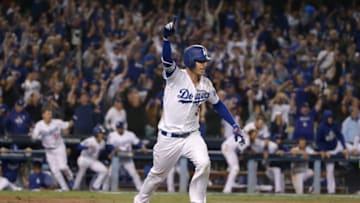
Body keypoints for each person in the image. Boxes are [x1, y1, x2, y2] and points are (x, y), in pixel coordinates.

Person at [134, 19, 244, 203]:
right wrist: (166, 40)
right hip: (169, 137)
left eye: (205, 61)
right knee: (157, 176)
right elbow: (167, 61)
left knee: (204, 163)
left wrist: (234, 124)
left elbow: (218, 104)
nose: (204, 64)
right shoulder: (176, 77)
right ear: (190, 61)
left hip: (192, 135)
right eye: (200, 61)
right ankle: (140, 201)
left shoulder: (206, 84)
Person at [31, 108, 74, 191]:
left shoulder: (57, 122)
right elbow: (34, 136)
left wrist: (73, 120)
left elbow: (68, 125)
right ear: (43, 115)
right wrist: (35, 136)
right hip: (49, 150)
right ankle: (65, 188)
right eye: (47, 114)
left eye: (50, 114)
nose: (49, 116)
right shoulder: (39, 125)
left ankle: (70, 177)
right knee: (55, 171)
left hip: (59, 147)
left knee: (62, 167)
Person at [106, 121, 147, 191]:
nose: (120, 129)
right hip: (117, 157)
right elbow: (108, 145)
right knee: (110, 173)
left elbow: (138, 142)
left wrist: (142, 147)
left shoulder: (130, 134)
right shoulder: (112, 135)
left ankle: (140, 189)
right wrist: (114, 148)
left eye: (121, 128)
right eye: (118, 128)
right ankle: (106, 189)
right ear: (116, 128)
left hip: (127, 158)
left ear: (123, 128)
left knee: (133, 173)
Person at [316, 109, 349, 194]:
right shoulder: (321, 127)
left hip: (336, 146)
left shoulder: (334, 124)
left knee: (349, 148)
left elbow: (340, 136)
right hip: (328, 150)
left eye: (331, 118)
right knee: (330, 170)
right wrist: (323, 150)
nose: (330, 119)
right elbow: (318, 142)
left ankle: (345, 160)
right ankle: (331, 191)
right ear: (325, 118)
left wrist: (344, 147)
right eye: (329, 118)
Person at [72, 125, 108, 191]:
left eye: (102, 134)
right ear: (96, 133)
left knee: (104, 171)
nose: (102, 135)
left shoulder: (103, 142)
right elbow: (78, 147)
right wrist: (87, 147)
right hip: (84, 158)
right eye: (101, 133)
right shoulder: (90, 140)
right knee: (82, 171)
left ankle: (95, 187)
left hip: (93, 161)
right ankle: (75, 188)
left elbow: (102, 153)